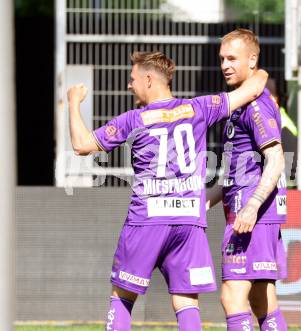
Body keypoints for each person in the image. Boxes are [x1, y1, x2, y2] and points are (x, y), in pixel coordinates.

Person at [67, 51, 268, 331]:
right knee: (187, 302)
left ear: (148, 79)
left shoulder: (133, 119)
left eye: (132, 79)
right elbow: (256, 86)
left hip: (146, 220)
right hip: (188, 222)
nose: (129, 85)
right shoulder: (199, 107)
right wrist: (256, 68)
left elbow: (81, 145)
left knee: (123, 296)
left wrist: (73, 102)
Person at [206, 29, 288, 331]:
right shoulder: (239, 104)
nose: (225, 65)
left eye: (232, 58)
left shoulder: (255, 105)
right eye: (222, 59)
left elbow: (277, 159)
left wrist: (252, 206)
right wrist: (201, 203)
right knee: (261, 299)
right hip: (252, 213)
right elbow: (232, 176)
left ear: (252, 60)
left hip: (252, 215)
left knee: (232, 295)